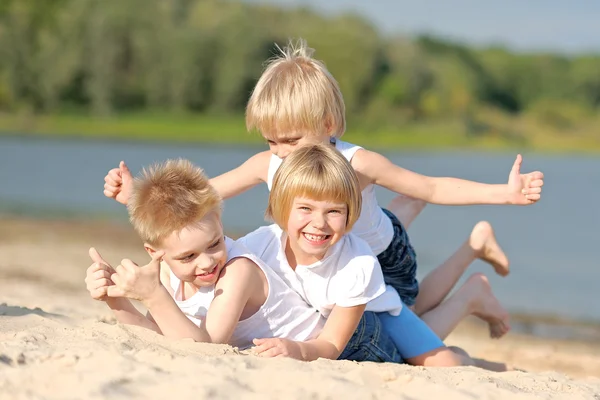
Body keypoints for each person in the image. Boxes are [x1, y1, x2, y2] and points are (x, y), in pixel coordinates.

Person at [102, 39, 538, 339]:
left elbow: (434, 185)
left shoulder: (357, 162)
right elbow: (199, 198)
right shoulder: (268, 162)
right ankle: (412, 211)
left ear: (328, 126)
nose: (282, 153)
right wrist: (138, 193)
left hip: (377, 254)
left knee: (409, 313)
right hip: (327, 241)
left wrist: (506, 192)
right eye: (271, 141)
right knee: (374, 216)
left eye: (292, 140)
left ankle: (473, 282)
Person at [239, 143, 506, 369]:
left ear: (350, 215)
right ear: (281, 208)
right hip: (353, 311)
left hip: (379, 312)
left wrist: (297, 350)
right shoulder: (262, 243)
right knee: (420, 316)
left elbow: (331, 343)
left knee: (442, 363)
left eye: (333, 212)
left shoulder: (358, 264)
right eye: (306, 208)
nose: (319, 223)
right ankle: (472, 280)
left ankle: (471, 321)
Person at [85, 159, 328, 353]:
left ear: (219, 223)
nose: (207, 262)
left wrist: (153, 295)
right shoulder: (166, 272)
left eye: (213, 244)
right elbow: (159, 334)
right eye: (188, 256)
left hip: (320, 343)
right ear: (154, 252)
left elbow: (207, 347)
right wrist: (115, 299)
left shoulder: (238, 271)